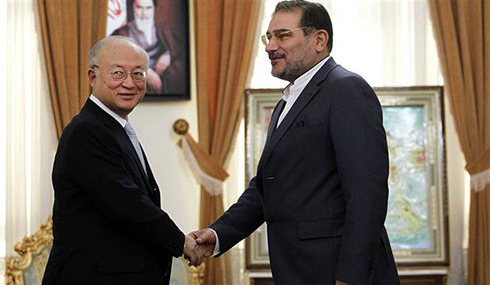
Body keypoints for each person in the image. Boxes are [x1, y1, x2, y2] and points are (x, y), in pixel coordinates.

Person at [190, 1, 400, 284]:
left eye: (283, 35)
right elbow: (267, 187)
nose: (269, 46)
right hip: (300, 270)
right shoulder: (287, 102)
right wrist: (217, 235)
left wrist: (351, 277)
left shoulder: (346, 89)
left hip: (337, 273)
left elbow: (367, 196)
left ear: (319, 40)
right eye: (268, 37)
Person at [42, 36, 203, 285]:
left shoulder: (113, 127)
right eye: (117, 73)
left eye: (138, 74)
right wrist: (182, 242)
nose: (129, 83)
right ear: (92, 77)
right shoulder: (87, 131)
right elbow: (128, 204)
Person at [111, 0, 169, 94]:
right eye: (139, 7)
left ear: (154, 9)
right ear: (132, 8)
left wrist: (167, 55)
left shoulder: (163, 30)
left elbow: (175, 50)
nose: (144, 13)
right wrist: (144, 70)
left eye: (148, 8)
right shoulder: (120, 33)